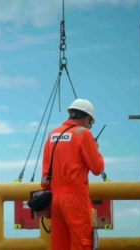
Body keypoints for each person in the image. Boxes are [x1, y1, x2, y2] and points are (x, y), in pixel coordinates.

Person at [40, 99, 104, 250]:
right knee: (81, 242)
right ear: (87, 119)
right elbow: (97, 168)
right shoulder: (84, 134)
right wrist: (95, 149)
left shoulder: (52, 135)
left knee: (59, 244)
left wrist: (50, 196)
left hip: (55, 198)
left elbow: (45, 173)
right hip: (75, 199)